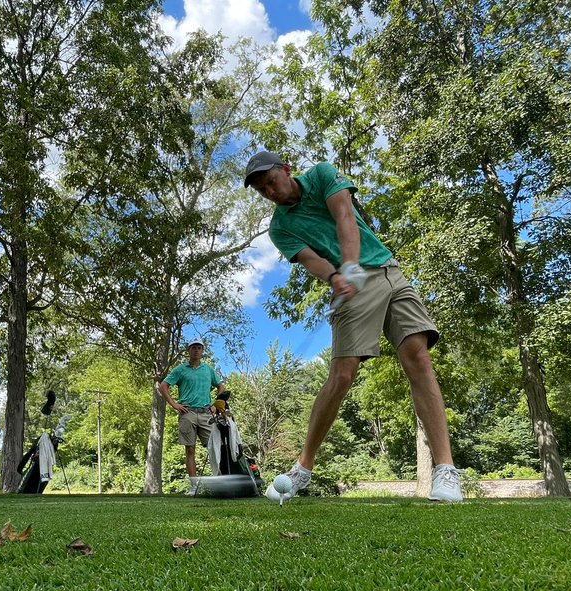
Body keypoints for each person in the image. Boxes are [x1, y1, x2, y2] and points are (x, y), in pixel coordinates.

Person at [244, 150, 463, 503]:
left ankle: (446, 471)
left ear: (286, 169)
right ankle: (302, 468)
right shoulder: (279, 228)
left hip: (389, 272)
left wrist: (349, 266)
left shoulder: (321, 175)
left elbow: (344, 215)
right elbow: (311, 258)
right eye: (261, 190)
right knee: (342, 376)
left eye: (271, 181)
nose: (269, 191)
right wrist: (336, 276)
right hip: (351, 286)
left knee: (418, 359)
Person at [159, 337, 226, 484]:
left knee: (215, 447)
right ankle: (194, 486)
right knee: (190, 449)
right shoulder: (180, 370)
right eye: (193, 347)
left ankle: (221, 482)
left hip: (206, 413)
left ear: (202, 351)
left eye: (199, 348)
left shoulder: (208, 369)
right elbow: (163, 386)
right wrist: (174, 404)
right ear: (188, 350)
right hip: (187, 413)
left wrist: (217, 403)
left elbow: (221, 386)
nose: (196, 350)